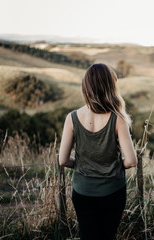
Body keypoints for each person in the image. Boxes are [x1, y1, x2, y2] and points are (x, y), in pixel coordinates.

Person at [58, 63, 137, 240]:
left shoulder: (71, 118)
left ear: (86, 87)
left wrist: (82, 165)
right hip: (113, 191)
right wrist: (114, 166)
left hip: (82, 192)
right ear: (110, 87)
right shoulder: (118, 119)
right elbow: (131, 161)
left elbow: (62, 160)